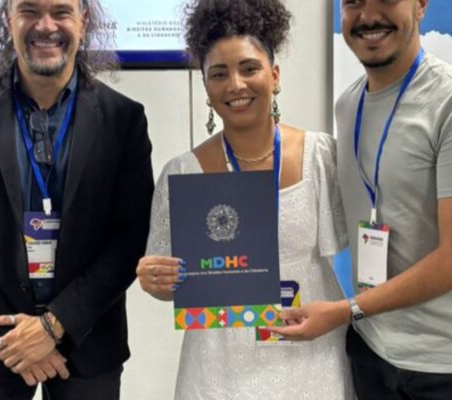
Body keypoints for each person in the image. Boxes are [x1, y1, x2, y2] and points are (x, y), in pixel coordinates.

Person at [270, 1, 452, 399]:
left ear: (420, 5)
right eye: (353, 3)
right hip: (374, 350)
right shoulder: (349, 105)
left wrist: (344, 311)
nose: (368, 16)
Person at [0, 0, 153, 398]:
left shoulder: (124, 120)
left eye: (61, 12)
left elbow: (130, 236)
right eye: (29, 10)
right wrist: (12, 338)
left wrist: (54, 325)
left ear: (83, 21)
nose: (45, 26)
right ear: (8, 20)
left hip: (88, 343)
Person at [134, 0, 354, 399]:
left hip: (311, 361)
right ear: (206, 89)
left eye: (249, 68)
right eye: (219, 74)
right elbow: (170, 282)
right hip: (219, 374)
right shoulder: (182, 174)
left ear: (274, 75)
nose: (235, 85)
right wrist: (155, 280)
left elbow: (366, 236)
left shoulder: (323, 158)